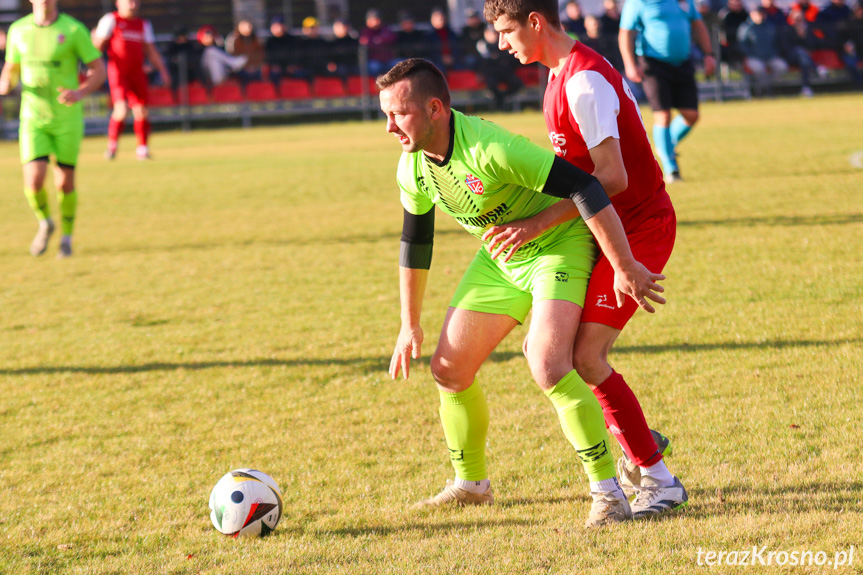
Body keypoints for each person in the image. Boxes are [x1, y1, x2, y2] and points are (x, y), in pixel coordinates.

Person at [381, 58, 667, 528]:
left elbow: (587, 186)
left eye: (399, 114)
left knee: (551, 366)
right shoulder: (412, 166)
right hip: (501, 257)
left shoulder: (493, 148)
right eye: (386, 115)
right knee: (448, 369)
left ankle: (608, 492)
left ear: (434, 109)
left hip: (558, 248)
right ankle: (471, 486)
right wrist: (409, 323)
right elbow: (416, 241)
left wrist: (623, 266)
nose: (390, 127)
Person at [484, 0, 687, 519]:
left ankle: (659, 479)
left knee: (585, 357)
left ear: (535, 21)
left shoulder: (583, 82)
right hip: (600, 226)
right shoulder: (558, 75)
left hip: (639, 227)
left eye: (506, 31)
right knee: (546, 348)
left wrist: (536, 225)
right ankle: (637, 441)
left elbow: (611, 177)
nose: (501, 44)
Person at [0, 0, 105, 258]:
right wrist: (6, 83)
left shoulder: (73, 30)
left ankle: (67, 237)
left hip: (66, 119)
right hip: (33, 118)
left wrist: (80, 92)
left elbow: (99, 70)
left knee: (64, 183)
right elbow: (11, 68)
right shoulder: (18, 30)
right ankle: (46, 222)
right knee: (34, 183)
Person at [618, 0, 716, 184]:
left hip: (683, 63)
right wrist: (630, 63)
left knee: (692, 115)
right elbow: (626, 32)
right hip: (653, 64)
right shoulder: (639, 2)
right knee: (663, 115)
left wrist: (709, 54)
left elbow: (698, 23)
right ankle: (672, 169)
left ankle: (666, 145)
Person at [93, 0, 170, 160]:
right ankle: (112, 146)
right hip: (118, 72)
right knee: (121, 110)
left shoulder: (143, 24)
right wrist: (93, 67)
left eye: (135, 2)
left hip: (137, 72)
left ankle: (142, 149)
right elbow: (97, 46)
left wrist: (162, 71)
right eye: (129, 1)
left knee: (142, 111)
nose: (132, 5)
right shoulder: (111, 20)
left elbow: (150, 50)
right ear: (118, 3)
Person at [737, 8, 789, 95]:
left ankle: (769, 86)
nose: (760, 16)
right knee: (759, 69)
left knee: (782, 67)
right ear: (752, 15)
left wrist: (775, 52)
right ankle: (763, 90)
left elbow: (777, 41)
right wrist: (751, 54)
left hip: (770, 56)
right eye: (758, 14)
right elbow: (742, 44)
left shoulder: (770, 26)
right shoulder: (746, 27)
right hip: (754, 57)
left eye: (762, 14)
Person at [475, 25, 523, 109]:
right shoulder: (482, 44)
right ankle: (499, 104)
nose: (493, 35)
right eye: (490, 33)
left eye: (494, 33)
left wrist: (498, 58)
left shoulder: (501, 43)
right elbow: (485, 60)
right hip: (490, 73)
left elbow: (509, 58)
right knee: (491, 85)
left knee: (518, 84)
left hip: (504, 71)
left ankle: (503, 98)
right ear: (485, 33)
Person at [359, 9, 397, 76]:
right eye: (374, 19)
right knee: (374, 67)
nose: (377, 22)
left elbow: (392, 38)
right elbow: (366, 43)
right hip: (373, 60)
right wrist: (377, 41)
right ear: (368, 21)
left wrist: (380, 40)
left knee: (398, 65)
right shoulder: (365, 31)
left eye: (378, 19)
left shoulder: (385, 28)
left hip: (388, 59)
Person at [225, 19, 264, 85]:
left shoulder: (256, 40)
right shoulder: (236, 41)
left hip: (255, 67)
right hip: (242, 68)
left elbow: (260, 54)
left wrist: (254, 66)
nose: (249, 28)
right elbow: (235, 57)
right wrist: (246, 67)